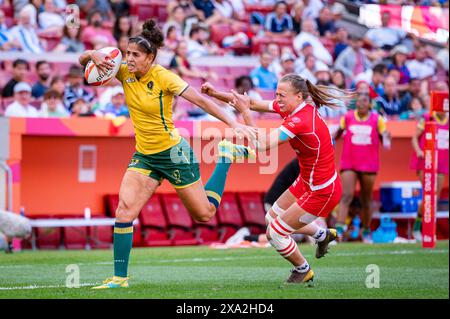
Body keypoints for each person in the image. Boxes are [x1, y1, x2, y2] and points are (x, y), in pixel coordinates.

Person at [79, 19, 256, 289]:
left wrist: (232, 124)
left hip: (174, 153)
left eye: (135, 55)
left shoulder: (164, 76)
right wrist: (92, 54)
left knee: (205, 214)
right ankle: (119, 278)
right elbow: (83, 64)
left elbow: (201, 100)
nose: (129, 59)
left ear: (150, 57)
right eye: (127, 54)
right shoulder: (122, 71)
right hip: (145, 155)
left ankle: (225, 157)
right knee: (125, 211)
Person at [204, 74, 349, 283]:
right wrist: (216, 93)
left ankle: (303, 269)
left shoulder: (300, 120)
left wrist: (244, 112)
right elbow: (252, 102)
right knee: (271, 218)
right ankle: (322, 235)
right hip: (307, 182)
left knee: (275, 233)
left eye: (282, 95)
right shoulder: (295, 108)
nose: (277, 99)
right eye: (276, 94)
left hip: (322, 191)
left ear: (298, 96)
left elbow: (262, 145)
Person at [333, 93, 391, 242]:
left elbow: (385, 139)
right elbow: (337, 133)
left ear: (370, 104)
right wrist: (330, 139)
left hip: (369, 165)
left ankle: (366, 231)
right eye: (358, 101)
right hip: (349, 162)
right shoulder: (347, 117)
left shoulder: (377, 119)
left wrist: (387, 137)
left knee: (366, 200)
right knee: (346, 196)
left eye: (364, 101)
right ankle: (338, 230)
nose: (361, 104)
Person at [410, 111, 449, 241]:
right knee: (429, 194)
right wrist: (419, 151)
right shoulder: (427, 118)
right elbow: (415, 137)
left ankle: (425, 228)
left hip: (442, 163)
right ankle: (420, 229)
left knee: (435, 198)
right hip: (425, 162)